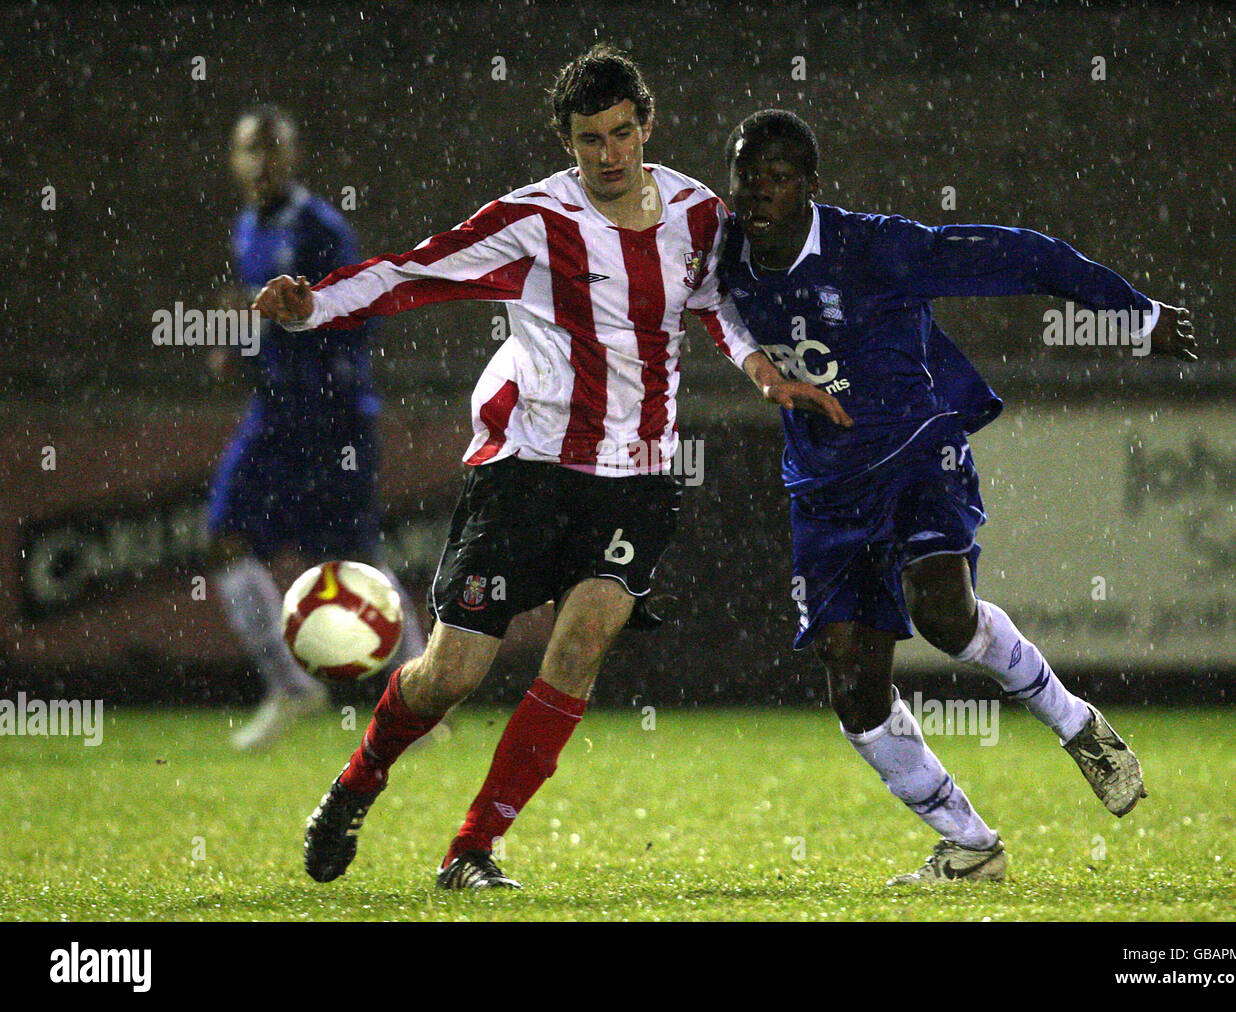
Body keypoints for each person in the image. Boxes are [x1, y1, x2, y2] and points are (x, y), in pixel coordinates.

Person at [253, 48, 848, 889]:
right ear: (567, 143)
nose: (608, 155)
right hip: (528, 467)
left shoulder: (698, 214)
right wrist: (314, 305)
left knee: (577, 651)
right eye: (587, 140)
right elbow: (412, 272)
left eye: (620, 133)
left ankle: (472, 850)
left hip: (639, 474)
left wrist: (763, 374)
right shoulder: (533, 220)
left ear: (647, 123)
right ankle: (359, 781)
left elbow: (718, 306)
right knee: (452, 673)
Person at [717, 109, 1196, 884]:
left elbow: (1022, 256)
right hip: (824, 488)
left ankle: (1075, 724)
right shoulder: (720, 250)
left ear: (810, 186)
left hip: (916, 453)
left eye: (777, 178)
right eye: (747, 178)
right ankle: (970, 845)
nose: (759, 194)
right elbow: (704, 308)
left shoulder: (875, 249)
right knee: (853, 685)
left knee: (942, 615)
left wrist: (1132, 315)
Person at [211, 105, 427, 751]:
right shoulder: (247, 228)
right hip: (275, 416)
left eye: (274, 148)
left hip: (330, 418)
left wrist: (286, 328)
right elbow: (267, 325)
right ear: (235, 159)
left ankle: (421, 698)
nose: (264, 161)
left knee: (358, 560)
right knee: (224, 537)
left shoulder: (320, 226)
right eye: (252, 149)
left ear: (293, 155)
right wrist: (241, 346)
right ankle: (291, 685)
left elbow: (359, 312)